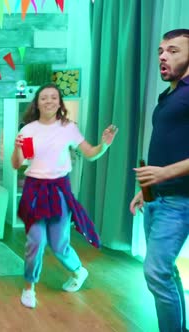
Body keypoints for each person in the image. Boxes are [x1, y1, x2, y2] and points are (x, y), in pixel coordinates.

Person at [13, 83, 117, 309]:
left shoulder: (68, 128)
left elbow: (89, 154)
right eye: (44, 98)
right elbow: (17, 163)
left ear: (59, 102)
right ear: (37, 103)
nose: (49, 101)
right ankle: (29, 287)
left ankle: (79, 271)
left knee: (59, 244)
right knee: (36, 241)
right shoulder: (27, 130)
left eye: (53, 97)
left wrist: (104, 144)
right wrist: (16, 148)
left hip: (59, 190)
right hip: (34, 189)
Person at [129, 28, 189, 332]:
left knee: (155, 271)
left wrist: (164, 174)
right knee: (164, 272)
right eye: (161, 50)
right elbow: (165, 146)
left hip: (180, 201)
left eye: (174, 51)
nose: (163, 56)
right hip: (156, 198)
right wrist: (146, 188)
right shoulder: (169, 95)